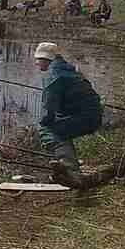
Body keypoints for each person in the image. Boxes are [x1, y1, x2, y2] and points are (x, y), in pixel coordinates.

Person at [33, 42, 106, 189]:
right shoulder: (68, 69)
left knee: (46, 129)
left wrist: (46, 122)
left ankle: (71, 173)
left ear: (46, 59)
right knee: (59, 127)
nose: (36, 63)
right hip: (93, 116)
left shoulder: (53, 76)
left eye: (38, 59)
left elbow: (48, 112)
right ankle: (64, 166)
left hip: (85, 118)